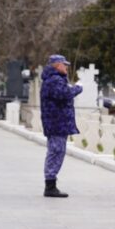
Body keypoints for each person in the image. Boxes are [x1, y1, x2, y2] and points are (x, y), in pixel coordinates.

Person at [39, 54, 82, 197]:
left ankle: (51, 184)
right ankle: (50, 186)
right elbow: (64, 93)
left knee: (56, 151)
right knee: (56, 151)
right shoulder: (54, 80)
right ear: (57, 65)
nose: (67, 67)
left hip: (57, 122)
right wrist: (77, 88)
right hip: (57, 122)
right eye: (65, 65)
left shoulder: (54, 79)